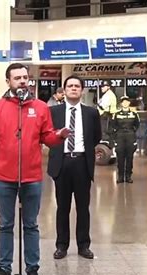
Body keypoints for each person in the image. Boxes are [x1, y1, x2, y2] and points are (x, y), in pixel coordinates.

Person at [0, 63, 69, 275]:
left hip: (32, 177)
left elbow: (48, 138)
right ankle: (4, 269)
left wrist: (60, 136)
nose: (23, 81)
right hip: (4, 177)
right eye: (17, 78)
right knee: (5, 224)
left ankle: (32, 270)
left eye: (25, 77)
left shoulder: (41, 107)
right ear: (8, 82)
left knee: (31, 225)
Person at [47, 75, 102, 261]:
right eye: (69, 86)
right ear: (64, 91)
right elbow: (48, 135)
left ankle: (83, 245)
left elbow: (95, 137)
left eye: (77, 86)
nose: (73, 89)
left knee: (83, 207)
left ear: (82, 90)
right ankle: (61, 245)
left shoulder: (91, 113)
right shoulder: (53, 111)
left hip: (81, 162)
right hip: (61, 162)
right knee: (62, 207)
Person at [111, 95, 140, 184]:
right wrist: (116, 136)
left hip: (130, 136)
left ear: (129, 103)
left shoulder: (134, 114)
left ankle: (128, 176)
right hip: (120, 136)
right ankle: (120, 176)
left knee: (130, 157)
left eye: (127, 101)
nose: (125, 103)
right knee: (120, 157)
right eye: (123, 101)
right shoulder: (116, 114)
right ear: (121, 103)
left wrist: (132, 132)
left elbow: (137, 125)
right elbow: (113, 125)